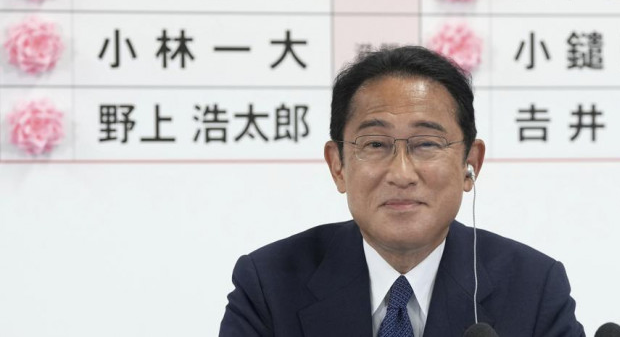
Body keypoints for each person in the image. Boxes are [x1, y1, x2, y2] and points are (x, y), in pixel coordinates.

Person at [219, 46, 584, 337]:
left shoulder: (534, 288)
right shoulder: (268, 284)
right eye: (375, 144)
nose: (401, 173)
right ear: (338, 165)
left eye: (426, 144)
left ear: (470, 165)